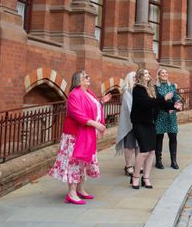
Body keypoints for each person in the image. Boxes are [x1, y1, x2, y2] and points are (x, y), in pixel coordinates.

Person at [48, 70, 111, 205]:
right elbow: (77, 114)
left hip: (86, 133)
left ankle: (80, 189)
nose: (89, 78)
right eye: (86, 77)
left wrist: (101, 103)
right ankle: (71, 193)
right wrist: (96, 125)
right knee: (74, 162)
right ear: (79, 80)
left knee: (84, 161)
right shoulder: (74, 95)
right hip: (74, 135)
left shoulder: (88, 93)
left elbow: (92, 109)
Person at [129, 68, 179, 189]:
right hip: (140, 123)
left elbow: (159, 104)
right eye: (145, 73)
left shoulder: (151, 88)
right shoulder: (138, 89)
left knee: (151, 151)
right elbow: (147, 103)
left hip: (150, 123)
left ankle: (146, 177)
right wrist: (164, 98)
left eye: (148, 73)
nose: (148, 75)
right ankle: (135, 176)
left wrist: (173, 105)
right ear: (140, 76)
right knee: (144, 151)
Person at [154, 68, 183, 170]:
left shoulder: (172, 86)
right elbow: (157, 101)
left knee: (173, 137)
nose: (165, 74)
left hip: (171, 116)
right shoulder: (155, 87)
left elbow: (176, 98)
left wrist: (178, 104)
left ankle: (173, 161)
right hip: (160, 115)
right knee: (159, 138)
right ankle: (158, 161)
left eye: (166, 73)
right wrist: (168, 107)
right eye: (162, 73)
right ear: (158, 75)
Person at [115, 71, 137, 177]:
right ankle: (128, 166)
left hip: (138, 122)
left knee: (138, 145)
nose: (135, 79)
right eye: (133, 77)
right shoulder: (127, 92)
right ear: (128, 79)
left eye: (136, 77)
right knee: (130, 145)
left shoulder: (138, 91)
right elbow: (128, 109)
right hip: (129, 124)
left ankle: (138, 165)